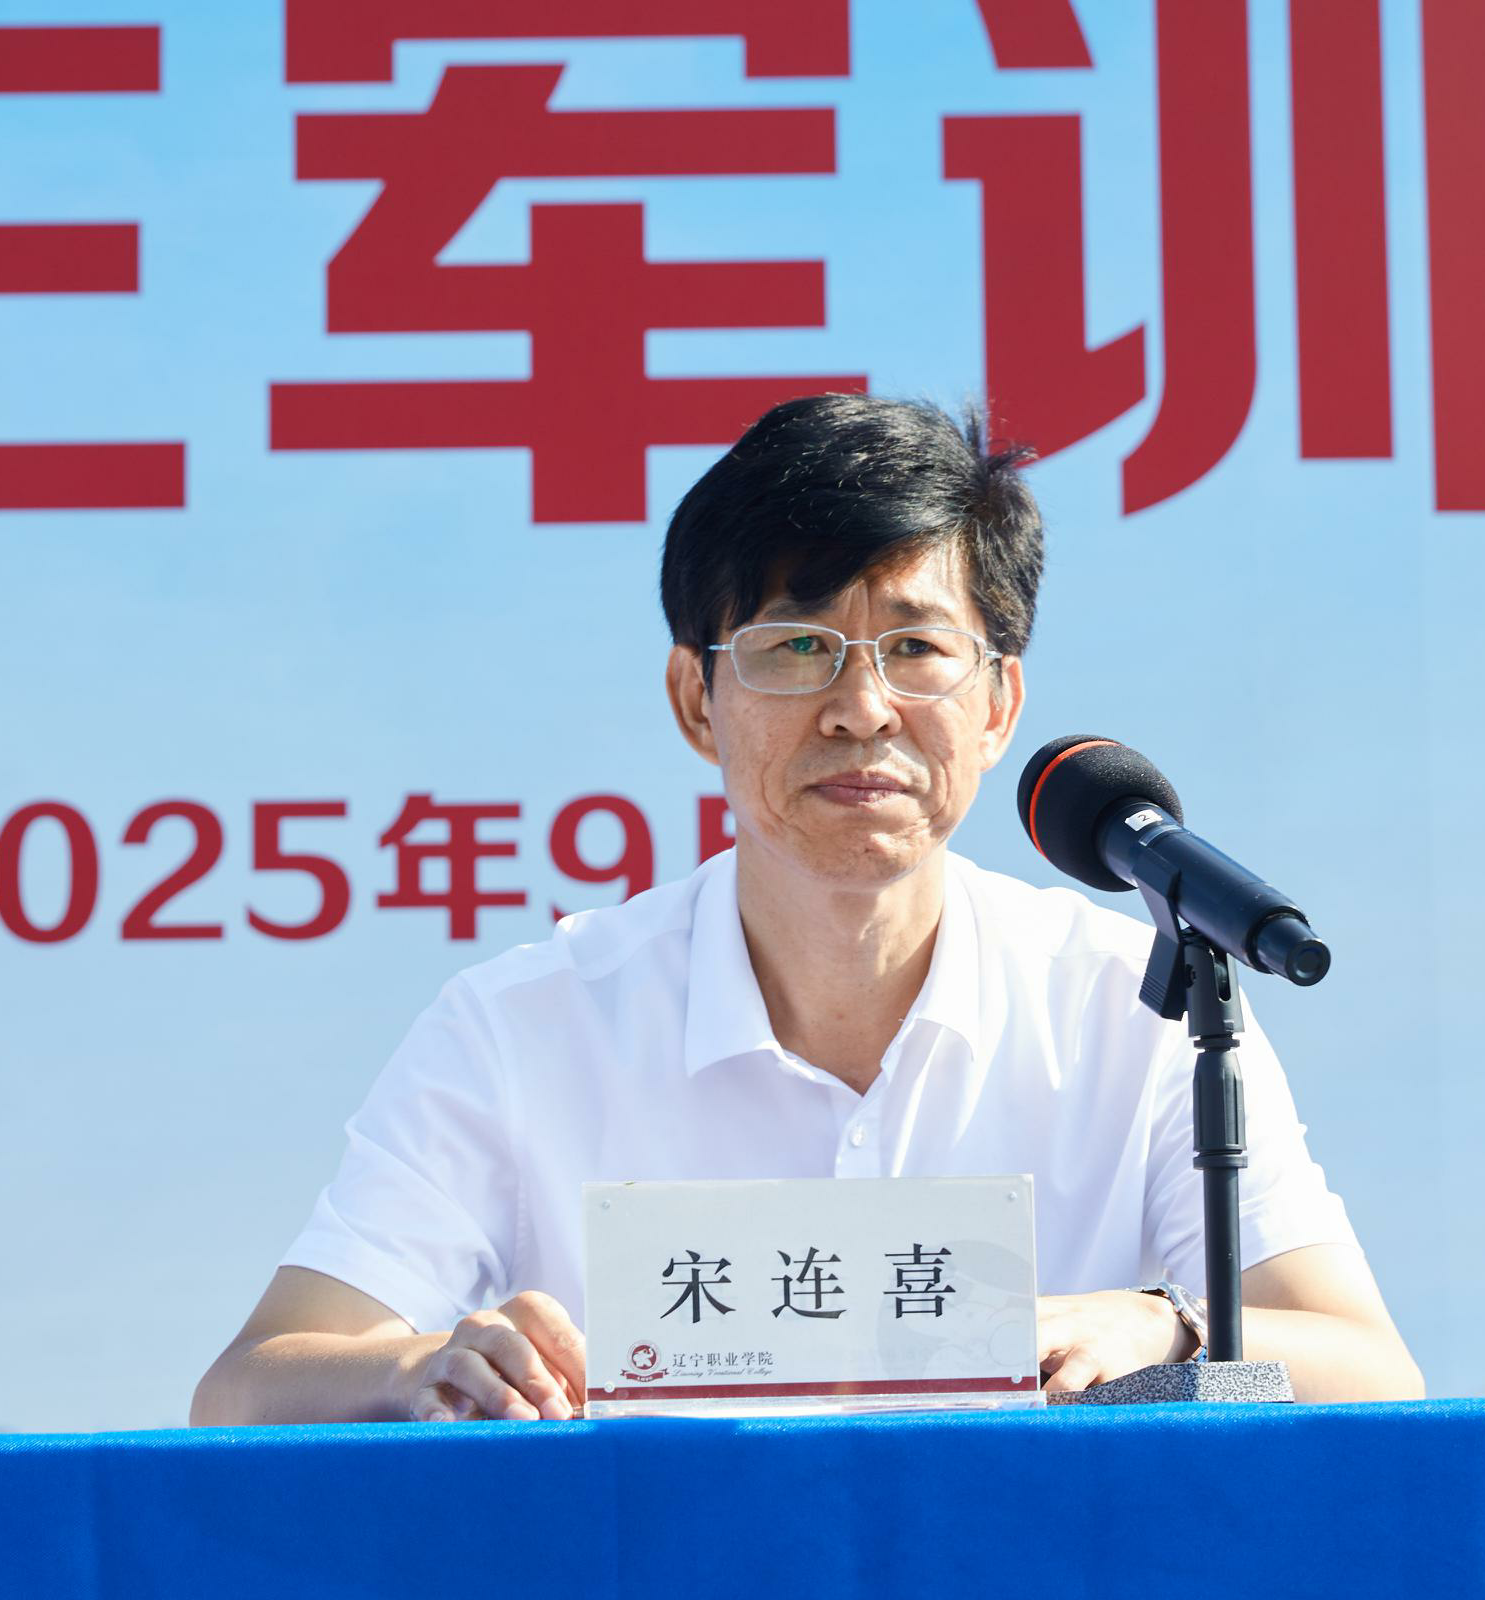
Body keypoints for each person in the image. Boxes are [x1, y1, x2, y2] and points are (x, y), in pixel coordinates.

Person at [193, 395, 1422, 1425]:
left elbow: (1369, 1372)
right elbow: (246, 1389)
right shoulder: (523, 1028)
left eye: (916, 648)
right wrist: (417, 1366)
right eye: (795, 648)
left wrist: (1173, 1328)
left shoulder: (1130, 1004)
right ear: (696, 699)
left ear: (999, 705)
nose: (861, 707)